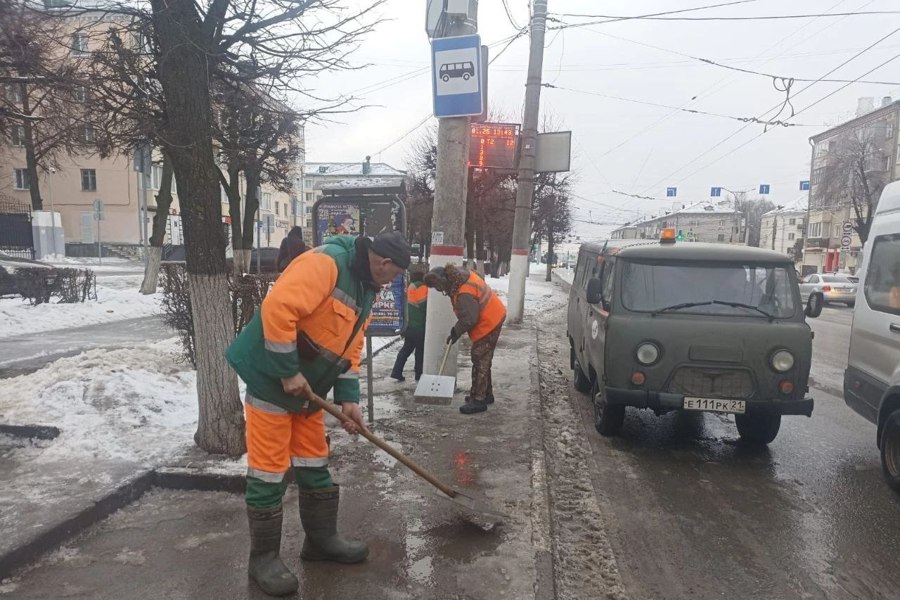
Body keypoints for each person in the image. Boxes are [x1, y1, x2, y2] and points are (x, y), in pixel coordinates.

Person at [226, 230, 410, 597]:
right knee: (269, 469)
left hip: (310, 393)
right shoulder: (325, 263)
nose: (391, 283)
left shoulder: (365, 288)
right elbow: (278, 308)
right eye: (393, 275)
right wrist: (286, 371)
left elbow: (350, 346)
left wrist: (348, 399)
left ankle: (321, 541)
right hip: (271, 382)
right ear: (383, 263)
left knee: (313, 461)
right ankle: (262, 559)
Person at [424, 264, 506, 415]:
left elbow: (469, 319)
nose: (440, 290)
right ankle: (486, 394)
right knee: (483, 358)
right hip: (493, 315)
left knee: (480, 358)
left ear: (445, 279)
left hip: (490, 321)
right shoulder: (460, 277)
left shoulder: (463, 292)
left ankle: (479, 400)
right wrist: (455, 332)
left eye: (439, 287)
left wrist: (456, 331)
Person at [390, 269, 427, 382]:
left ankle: (397, 371)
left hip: (408, 325)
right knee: (420, 352)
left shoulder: (410, 287)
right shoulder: (422, 287)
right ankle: (419, 375)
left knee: (406, 349)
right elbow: (425, 307)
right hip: (419, 326)